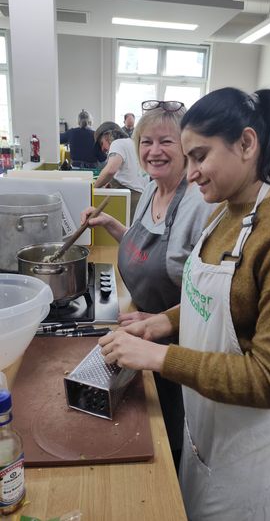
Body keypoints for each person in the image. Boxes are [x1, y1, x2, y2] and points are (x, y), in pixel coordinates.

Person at [97, 88, 270, 521]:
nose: (191, 174)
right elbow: (207, 298)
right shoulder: (225, 212)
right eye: (187, 158)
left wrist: (160, 356)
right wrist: (162, 323)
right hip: (206, 423)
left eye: (200, 156)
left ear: (246, 144)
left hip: (250, 447)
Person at [81, 100, 215, 470]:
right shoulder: (150, 190)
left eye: (166, 141)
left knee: (171, 437)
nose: (154, 151)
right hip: (142, 330)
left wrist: (159, 320)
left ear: (186, 146)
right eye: (146, 141)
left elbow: (211, 298)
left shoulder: (198, 205)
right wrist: (110, 223)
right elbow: (141, 245)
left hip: (179, 345)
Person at [93, 121, 147, 222]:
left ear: (107, 135)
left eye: (102, 143)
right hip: (141, 197)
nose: (102, 149)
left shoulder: (117, 143)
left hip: (131, 199)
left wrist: (93, 188)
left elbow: (110, 170)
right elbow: (127, 172)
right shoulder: (131, 143)